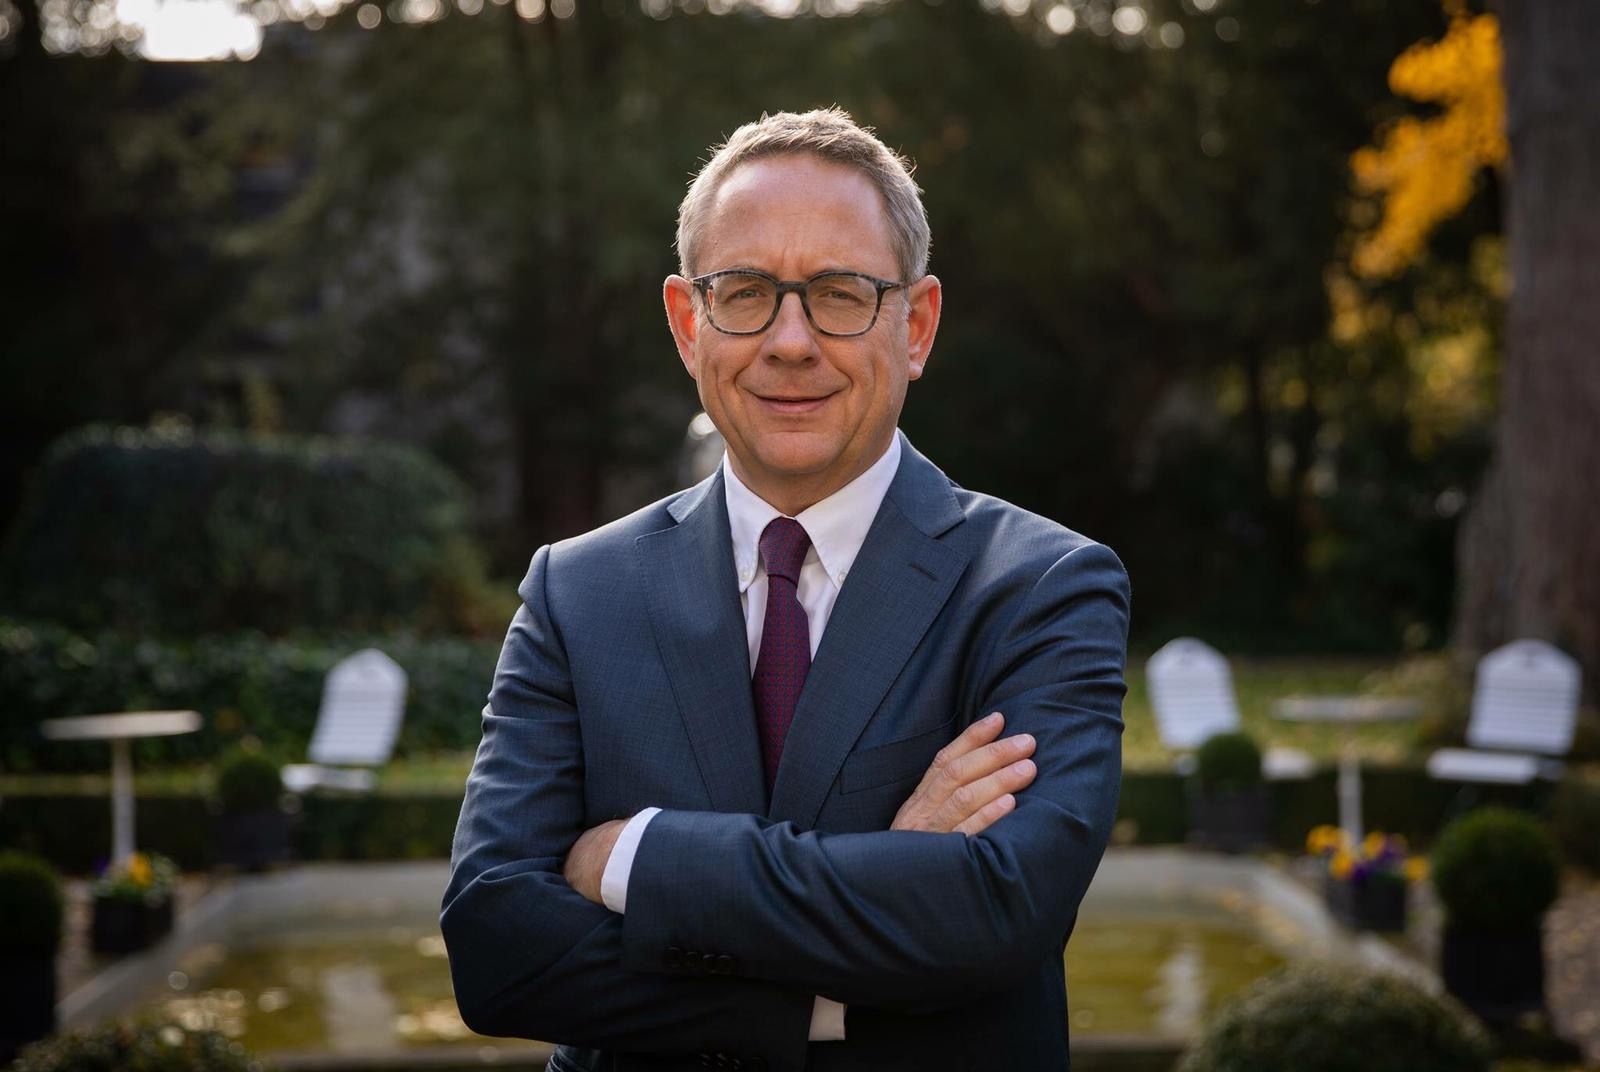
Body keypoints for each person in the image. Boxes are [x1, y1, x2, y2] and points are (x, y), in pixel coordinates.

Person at [441, 107, 1130, 1072]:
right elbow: (496, 950)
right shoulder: (577, 592)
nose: (791, 340)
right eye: (746, 293)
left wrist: (637, 856)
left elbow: (1001, 910)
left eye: (841, 294)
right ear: (689, 325)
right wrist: (849, 962)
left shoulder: (1040, 588)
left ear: (916, 325)